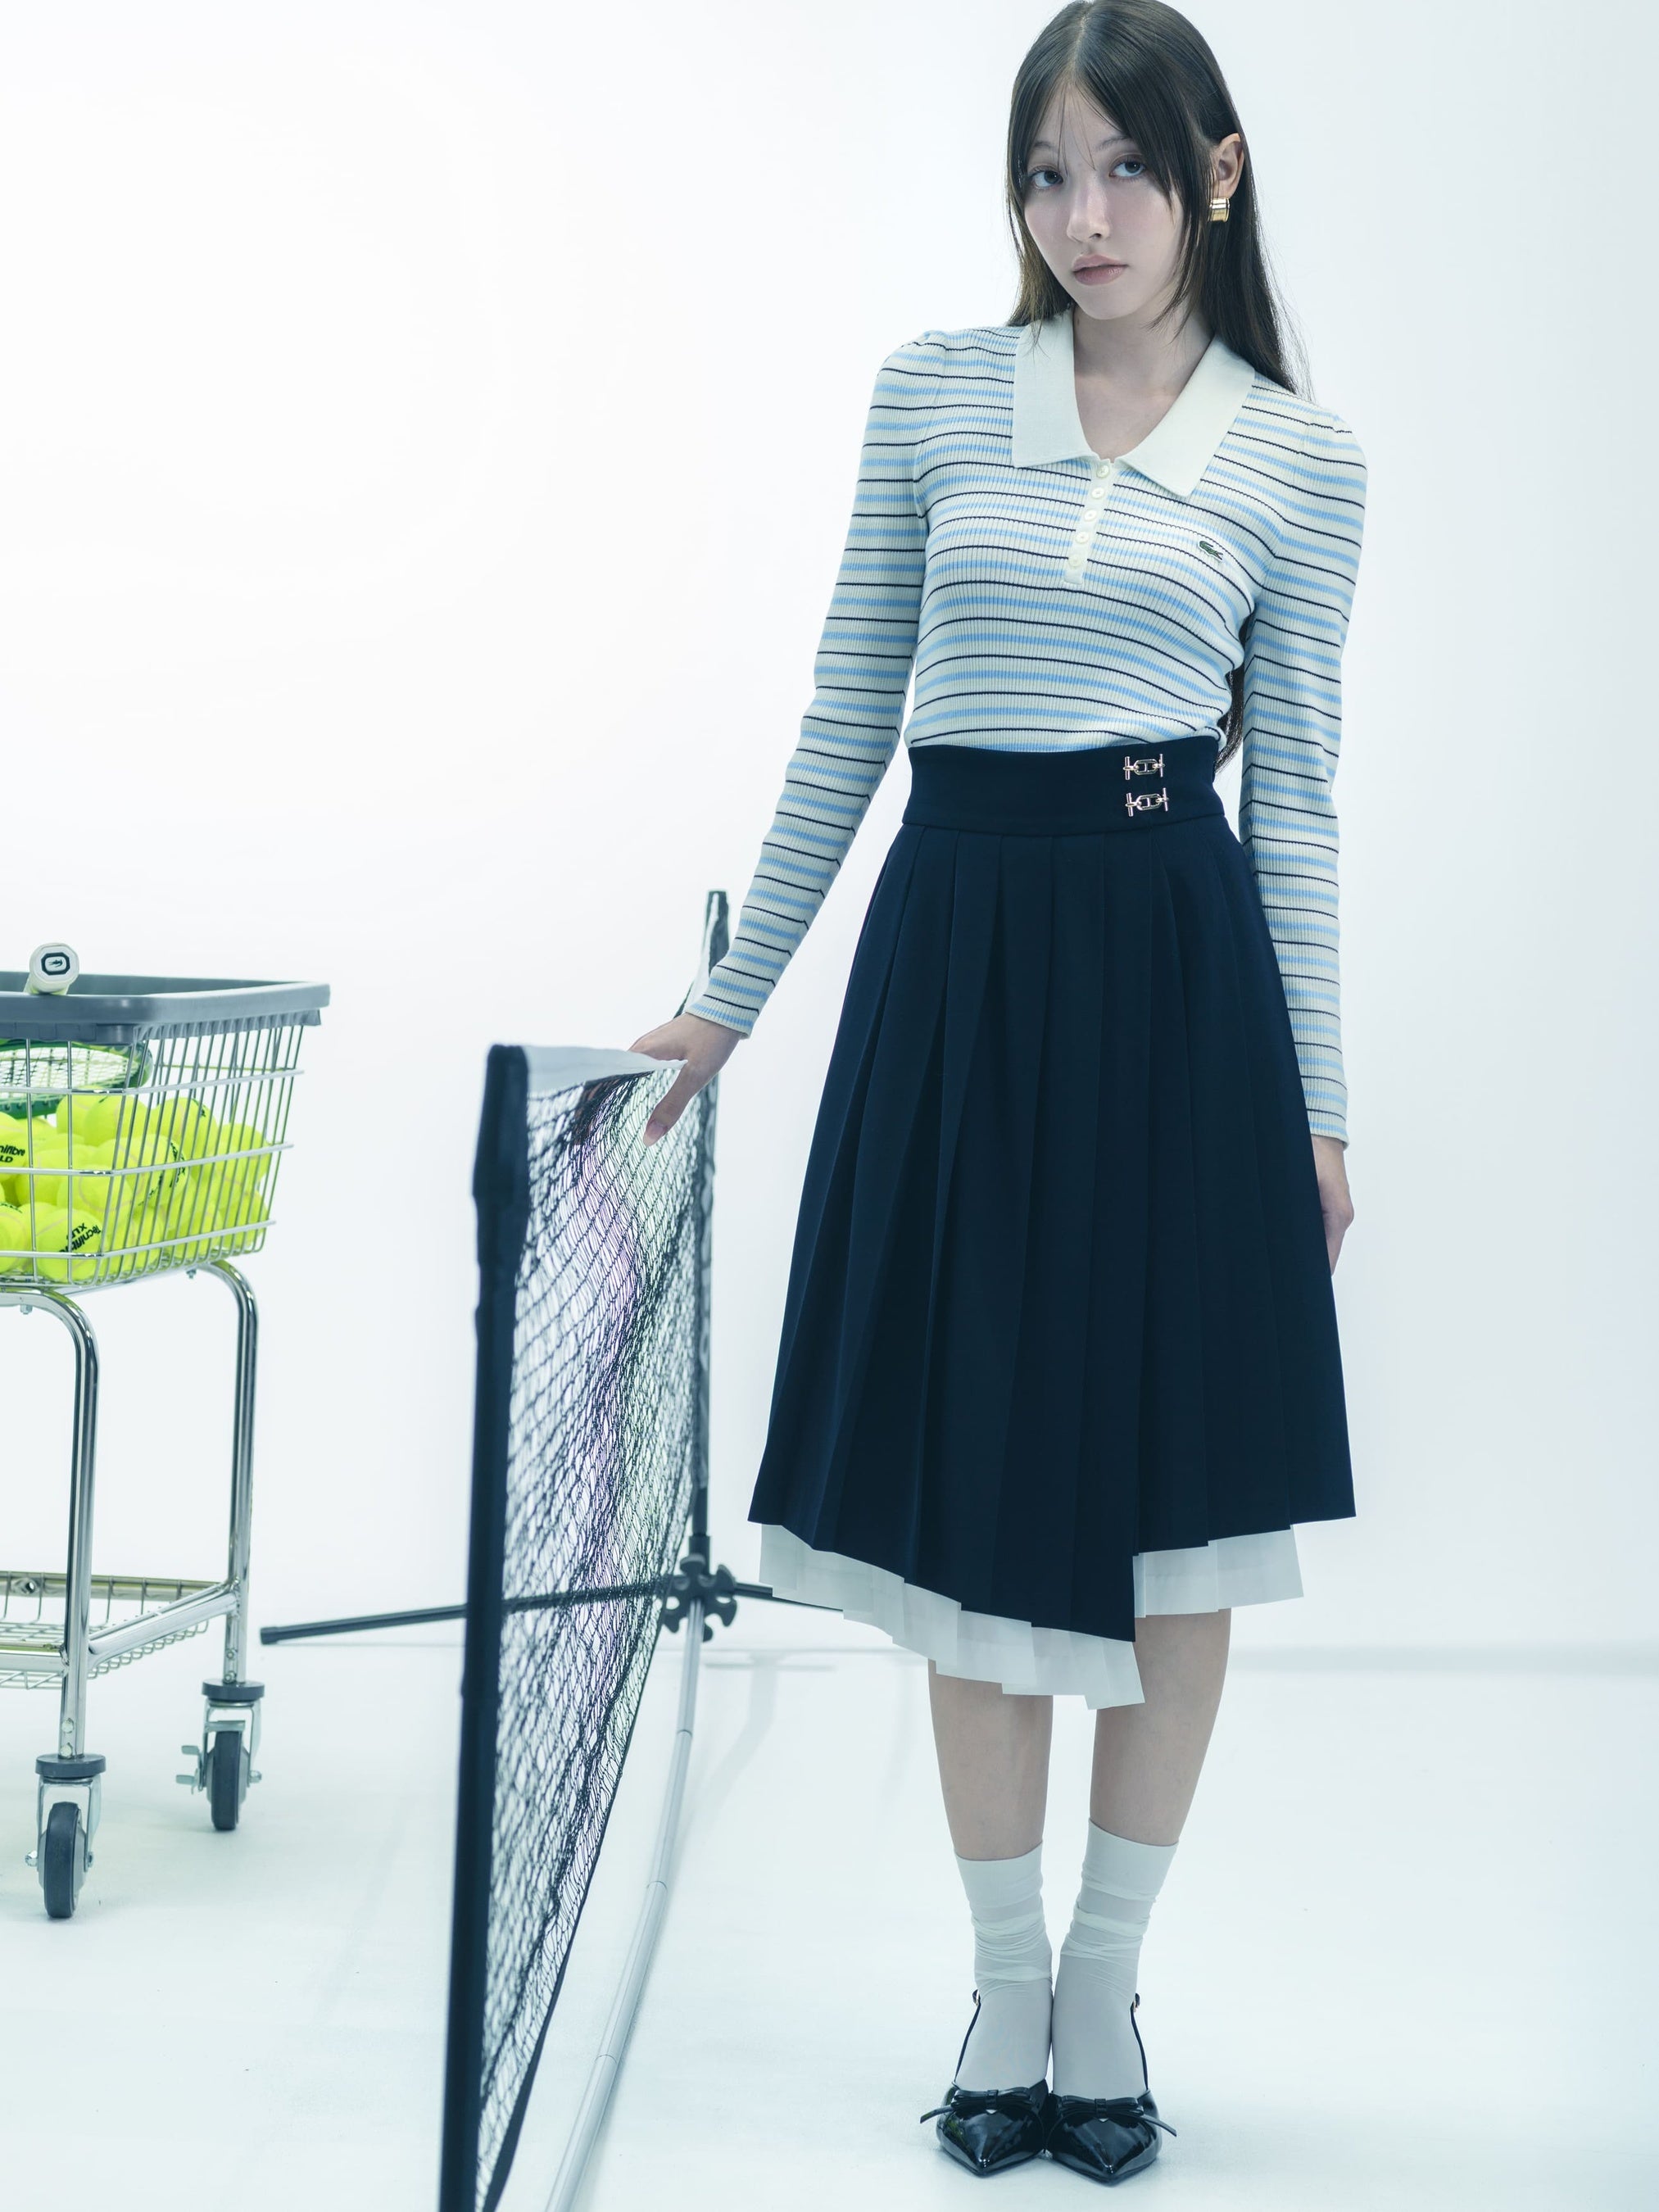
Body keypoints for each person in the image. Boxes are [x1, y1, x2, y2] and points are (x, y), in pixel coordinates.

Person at [630, 0, 1367, 2185]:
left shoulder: (1302, 461)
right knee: (970, 1505)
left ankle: (1102, 1990)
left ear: (1214, 174)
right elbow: (848, 713)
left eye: (1124, 167)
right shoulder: (937, 394)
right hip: (953, 966)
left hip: (1177, 984)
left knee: (1176, 1519)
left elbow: (1297, 803)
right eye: (1046, 173)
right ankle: (1000, 1983)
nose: (1083, 215)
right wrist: (726, 1003)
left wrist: (1321, 1111)